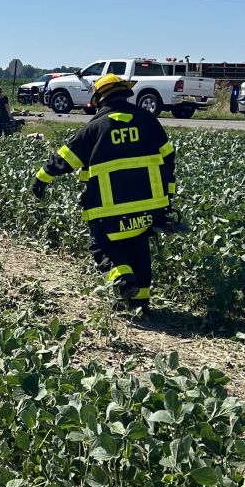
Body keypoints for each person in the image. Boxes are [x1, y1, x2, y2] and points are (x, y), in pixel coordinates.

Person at [30, 74, 176, 313]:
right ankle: (140, 303)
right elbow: (169, 159)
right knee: (138, 247)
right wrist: (167, 199)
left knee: (102, 246)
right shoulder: (148, 121)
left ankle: (123, 281)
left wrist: (41, 179)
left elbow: (66, 159)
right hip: (149, 206)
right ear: (125, 93)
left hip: (109, 209)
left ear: (99, 98)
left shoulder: (95, 127)